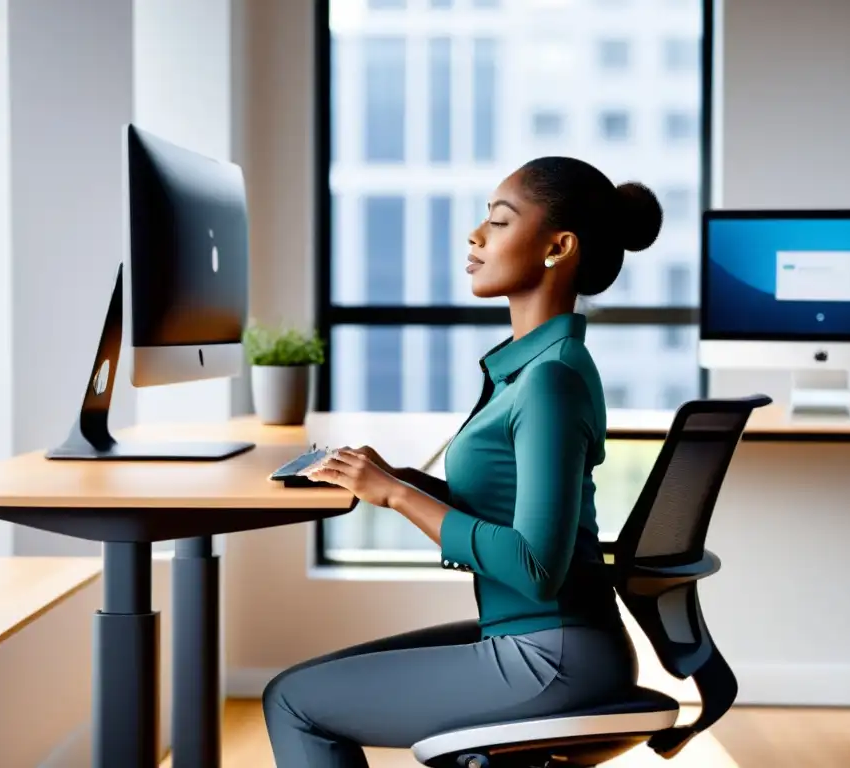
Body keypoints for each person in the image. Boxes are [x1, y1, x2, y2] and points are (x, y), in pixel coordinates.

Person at [262, 156, 664, 767]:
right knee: (306, 684)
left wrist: (396, 496)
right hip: (544, 641)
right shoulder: (532, 368)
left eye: (499, 224)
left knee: (293, 701)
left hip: (551, 657)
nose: (475, 236)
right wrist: (399, 478)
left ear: (558, 247)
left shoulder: (550, 379)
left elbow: (534, 567)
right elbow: (506, 508)